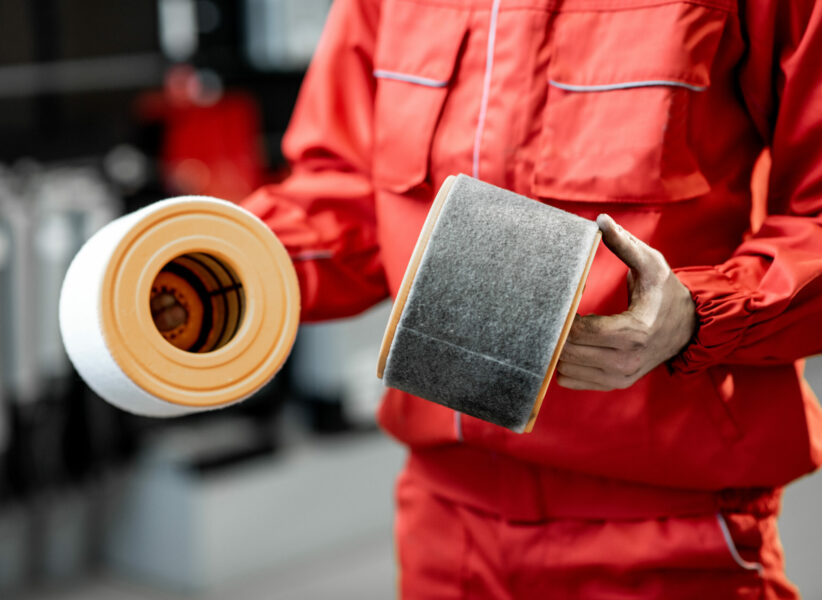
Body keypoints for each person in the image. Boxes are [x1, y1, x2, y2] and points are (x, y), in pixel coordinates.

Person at [241, 0, 822, 597]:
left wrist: (698, 315)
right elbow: (349, 200)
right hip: (445, 524)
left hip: (668, 527)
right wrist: (206, 260)